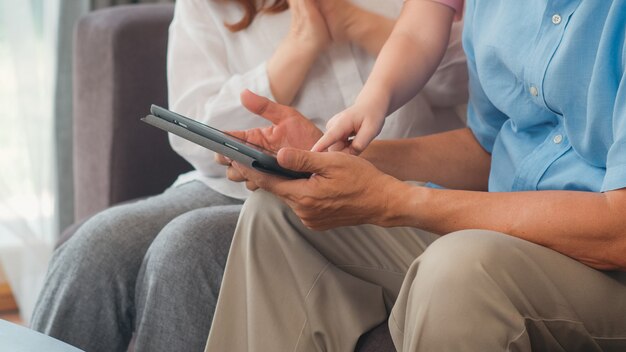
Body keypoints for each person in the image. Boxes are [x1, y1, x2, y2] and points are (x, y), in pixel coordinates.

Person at [30, 0, 467, 351]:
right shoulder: (207, 7)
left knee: (185, 246)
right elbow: (194, 134)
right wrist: (300, 46)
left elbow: (465, 83)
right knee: (93, 246)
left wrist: (353, 21)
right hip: (229, 184)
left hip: (369, 185)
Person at [205, 0, 626, 351]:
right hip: (508, 237)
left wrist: (395, 202)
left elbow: (617, 231)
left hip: (606, 264)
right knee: (279, 214)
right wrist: (332, 156)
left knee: (459, 272)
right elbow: (490, 149)